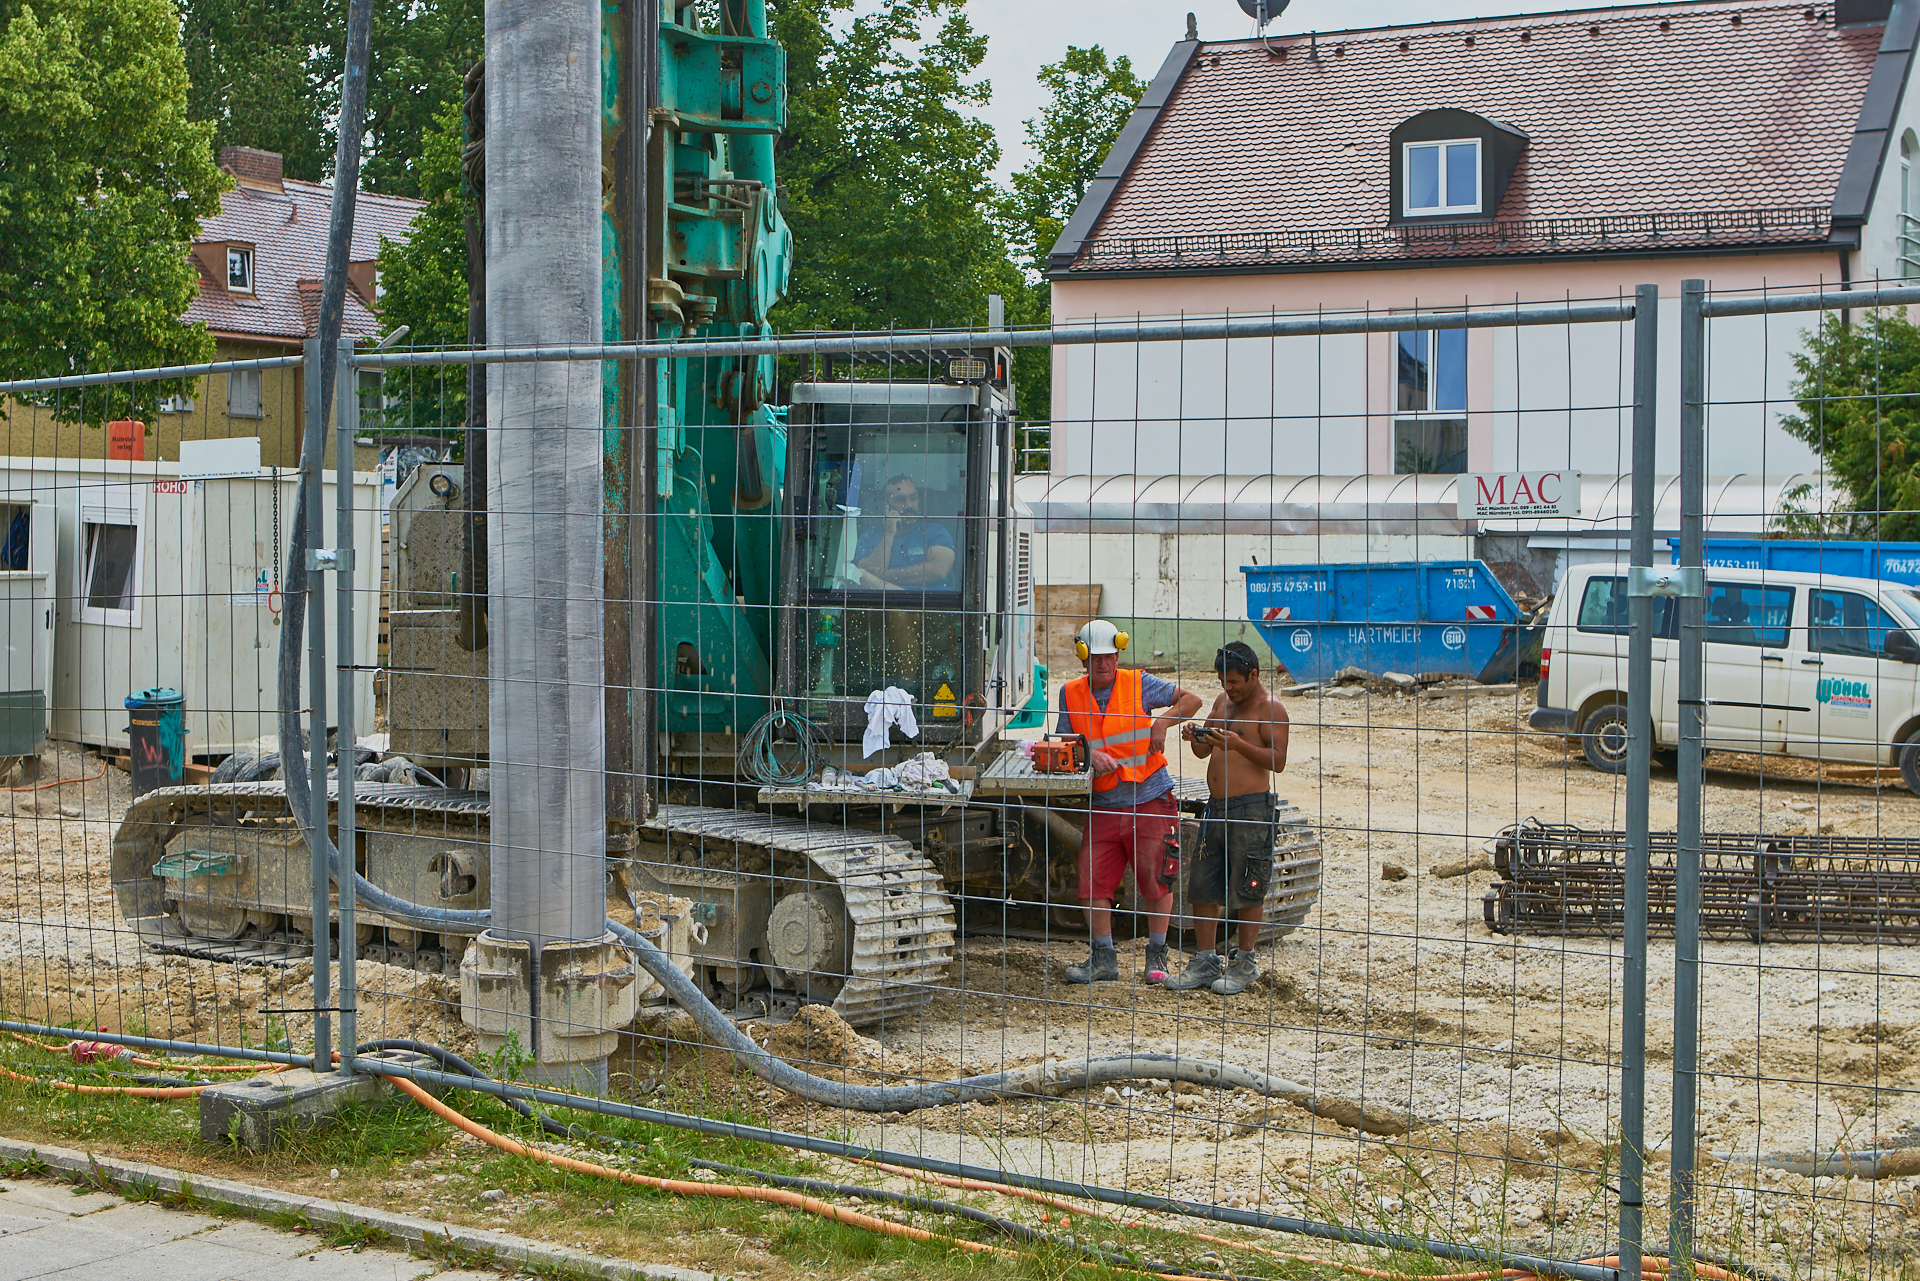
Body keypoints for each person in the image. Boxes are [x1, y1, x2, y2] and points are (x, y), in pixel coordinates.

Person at [1057, 619, 1202, 985]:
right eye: (1096, 658)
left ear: (1118, 654)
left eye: (1109, 656)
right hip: (1104, 801)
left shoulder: (1139, 683)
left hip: (1150, 797)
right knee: (1092, 884)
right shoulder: (1070, 693)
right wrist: (1089, 756)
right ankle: (1103, 957)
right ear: (1083, 659)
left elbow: (1192, 700)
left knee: (1157, 881)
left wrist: (1162, 725)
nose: (1104, 664)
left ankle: (1157, 956)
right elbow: (1063, 746)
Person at [1167, 641, 1289, 996]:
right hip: (1215, 808)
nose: (1228, 688)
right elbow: (1203, 750)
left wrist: (1238, 745)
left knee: (1248, 887)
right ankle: (1205, 960)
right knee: (1204, 884)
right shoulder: (1223, 703)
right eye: (1223, 680)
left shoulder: (1271, 709)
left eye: (1234, 681)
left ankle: (1244, 962)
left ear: (1253, 674)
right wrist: (1195, 736)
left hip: (1251, 809)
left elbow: (1277, 761)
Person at [854, 474, 955, 591]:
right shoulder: (869, 538)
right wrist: (888, 534)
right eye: (900, 500)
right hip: (884, 606)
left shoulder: (936, 532)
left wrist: (886, 575)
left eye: (913, 498)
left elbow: (939, 570)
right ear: (885, 505)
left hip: (931, 604)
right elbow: (866, 579)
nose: (909, 505)